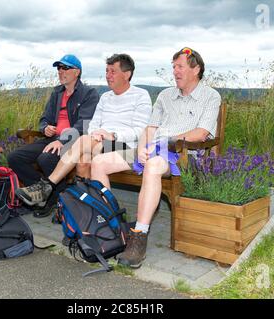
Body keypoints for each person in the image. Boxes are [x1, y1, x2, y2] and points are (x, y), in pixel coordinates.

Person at [90, 47, 222, 268]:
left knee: (152, 165)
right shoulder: (165, 95)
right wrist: (142, 147)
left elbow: (200, 133)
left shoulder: (210, 96)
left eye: (179, 67)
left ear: (196, 69)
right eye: (174, 67)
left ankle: (138, 237)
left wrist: (164, 143)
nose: (175, 72)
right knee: (98, 162)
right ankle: (112, 227)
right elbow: (149, 128)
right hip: (153, 148)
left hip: (183, 154)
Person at [15, 53, 153, 207]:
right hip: (99, 143)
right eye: (107, 71)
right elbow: (93, 123)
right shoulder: (105, 97)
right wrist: (97, 134)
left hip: (125, 146)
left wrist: (112, 135)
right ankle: (88, 208)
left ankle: (47, 186)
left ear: (127, 74)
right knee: (82, 161)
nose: (108, 75)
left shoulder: (140, 95)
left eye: (112, 71)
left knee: (84, 142)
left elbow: (141, 130)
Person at [7, 54, 99, 217]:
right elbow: (44, 118)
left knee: (46, 158)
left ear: (77, 72)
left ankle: (50, 201)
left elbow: (84, 124)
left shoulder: (88, 94)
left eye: (65, 68)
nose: (60, 72)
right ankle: (44, 194)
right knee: (15, 157)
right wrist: (45, 128)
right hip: (51, 139)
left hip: (74, 142)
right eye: (59, 68)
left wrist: (62, 140)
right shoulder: (57, 93)